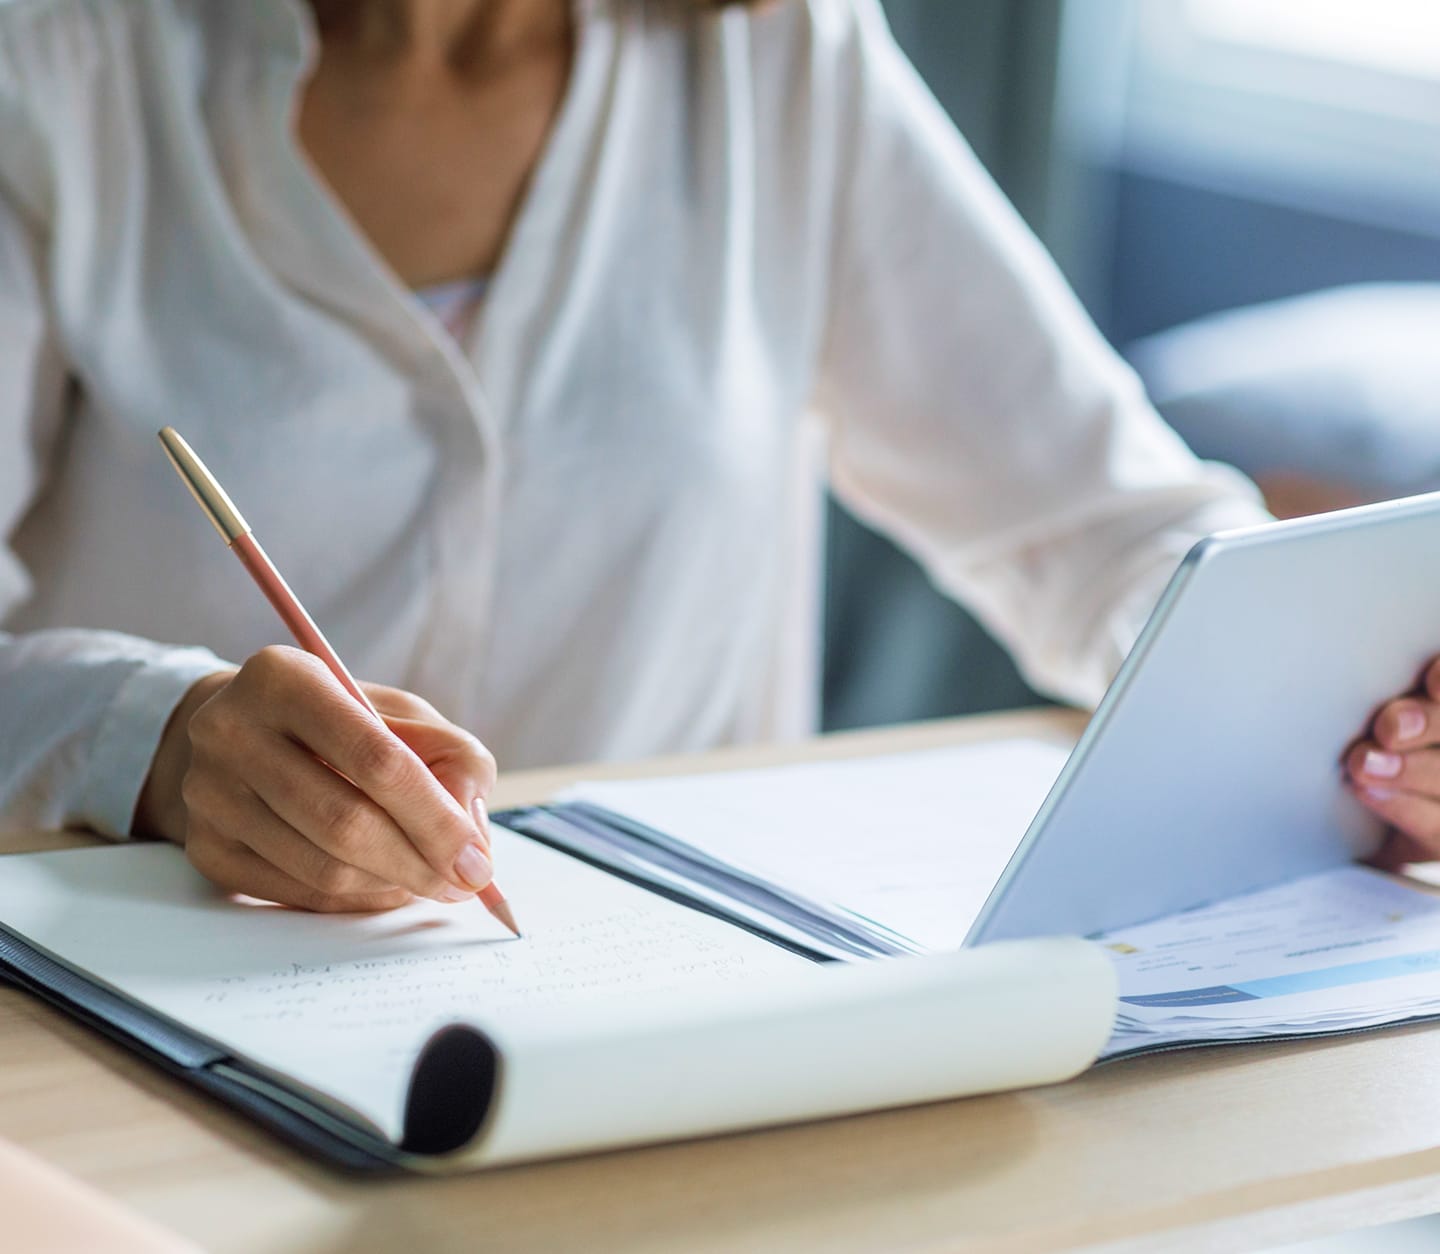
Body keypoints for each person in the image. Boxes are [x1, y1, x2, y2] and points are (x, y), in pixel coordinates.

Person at [0, 0, 1428, 914]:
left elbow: (1106, 528)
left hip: (678, 1029)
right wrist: (163, 742)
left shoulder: (779, 57)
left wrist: (1369, 728)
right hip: (160, 1029)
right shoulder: (58, 63)